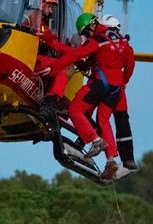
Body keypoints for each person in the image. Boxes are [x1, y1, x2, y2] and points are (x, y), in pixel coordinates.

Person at [42, 13, 131, 180]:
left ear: (91, 26)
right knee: (103, 120)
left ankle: (95, 141)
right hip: (116, 88)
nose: (84, 38)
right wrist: (124, 81)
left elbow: (74, 54)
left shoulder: (96, 39)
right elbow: (130, 62)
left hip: (100, 83)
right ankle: (111, 160)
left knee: (76, 109)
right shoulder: (120, 41)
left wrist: (54, 66)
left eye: (84, 34)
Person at [100, 14, 137, 178]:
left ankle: (87, 144)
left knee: (100, 117)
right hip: (118, 86)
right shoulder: (125, 46)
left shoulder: (101, 42)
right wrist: (124, 81)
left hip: (104, 85)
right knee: (122, 122)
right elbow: (130, 66)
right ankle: (128, 158)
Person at [35, 0, 73, 115]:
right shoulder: (37, 23)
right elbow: (56, 45)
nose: (51, 11)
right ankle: (51, 101)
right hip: (31, 60)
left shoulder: (37, 21)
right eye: (50, 6)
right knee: (66, 68)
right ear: (42, 3)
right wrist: (77, 53)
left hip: (30, 58)